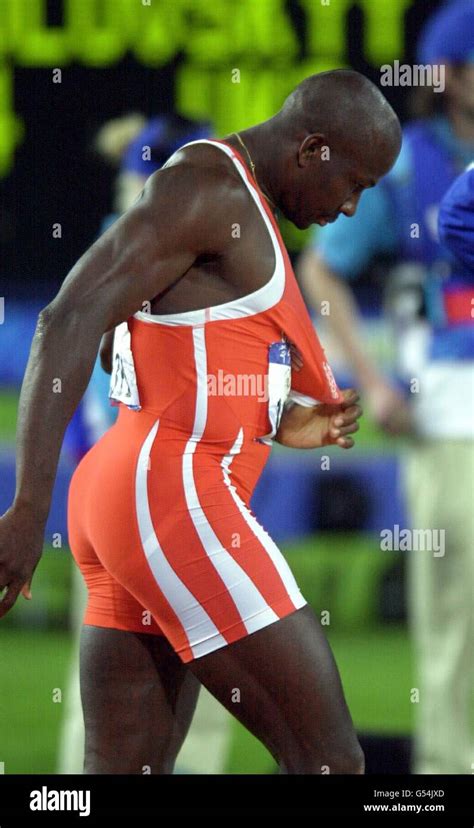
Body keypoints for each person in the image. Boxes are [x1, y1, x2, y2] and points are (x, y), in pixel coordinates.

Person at [0, 69, 401, 774]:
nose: (350, 207)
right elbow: (65, 317)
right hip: (172, 495)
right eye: (355, 183)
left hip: (135, 494)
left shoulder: (233, 202)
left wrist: (276, 418)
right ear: (311, 150)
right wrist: (30, 505)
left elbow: (180, 354)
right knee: (333, 763)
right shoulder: (210, 189)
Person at [298, 2, 474, 774]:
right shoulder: (407, 170)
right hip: (449, 416)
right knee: (457, 622)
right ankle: (451, 773)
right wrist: (370, 380)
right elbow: (322, 265)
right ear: (450, 76)